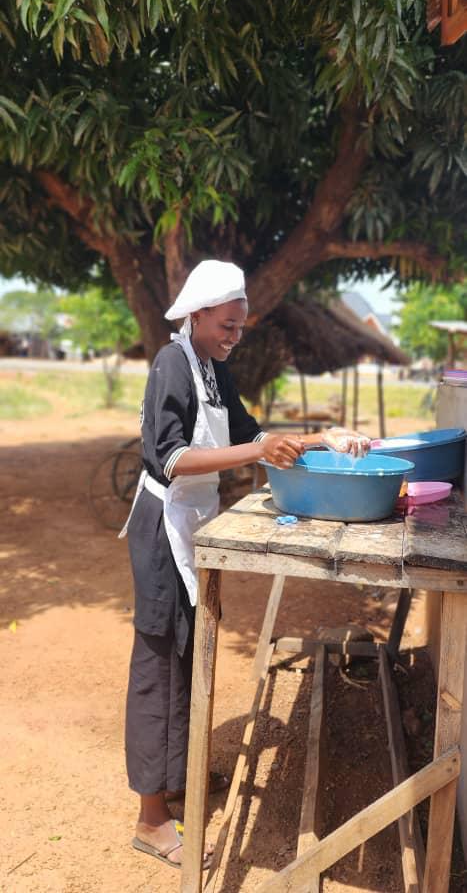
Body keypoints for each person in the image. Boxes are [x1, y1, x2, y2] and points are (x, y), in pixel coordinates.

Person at [121, 260, 370, 872]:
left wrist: (324, 438)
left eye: (240, 328)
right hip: (162, 530)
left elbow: (255, 434)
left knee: (188, 652)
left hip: (194, 527)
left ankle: (175, 776)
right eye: (226, 326)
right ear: (198, 314)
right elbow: (168, 460)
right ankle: (151, 819)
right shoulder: (171, 365)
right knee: (160, 662)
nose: (235, 336)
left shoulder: (213, 370)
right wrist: (258, 451)